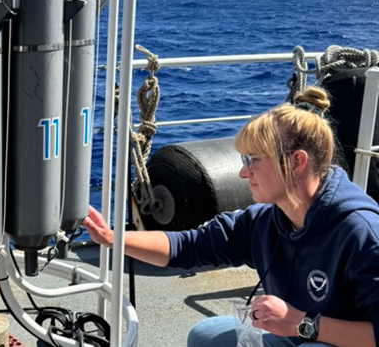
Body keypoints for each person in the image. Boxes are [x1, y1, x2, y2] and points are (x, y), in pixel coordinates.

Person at [82, 86, 379, 347]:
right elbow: (188, 246)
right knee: (207, 336)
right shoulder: (265, 221)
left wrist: (302, 324)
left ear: (297, 162)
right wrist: (112, 238)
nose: (242, 172)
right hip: (298, 331)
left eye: (253, 161)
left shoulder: (361, 232)